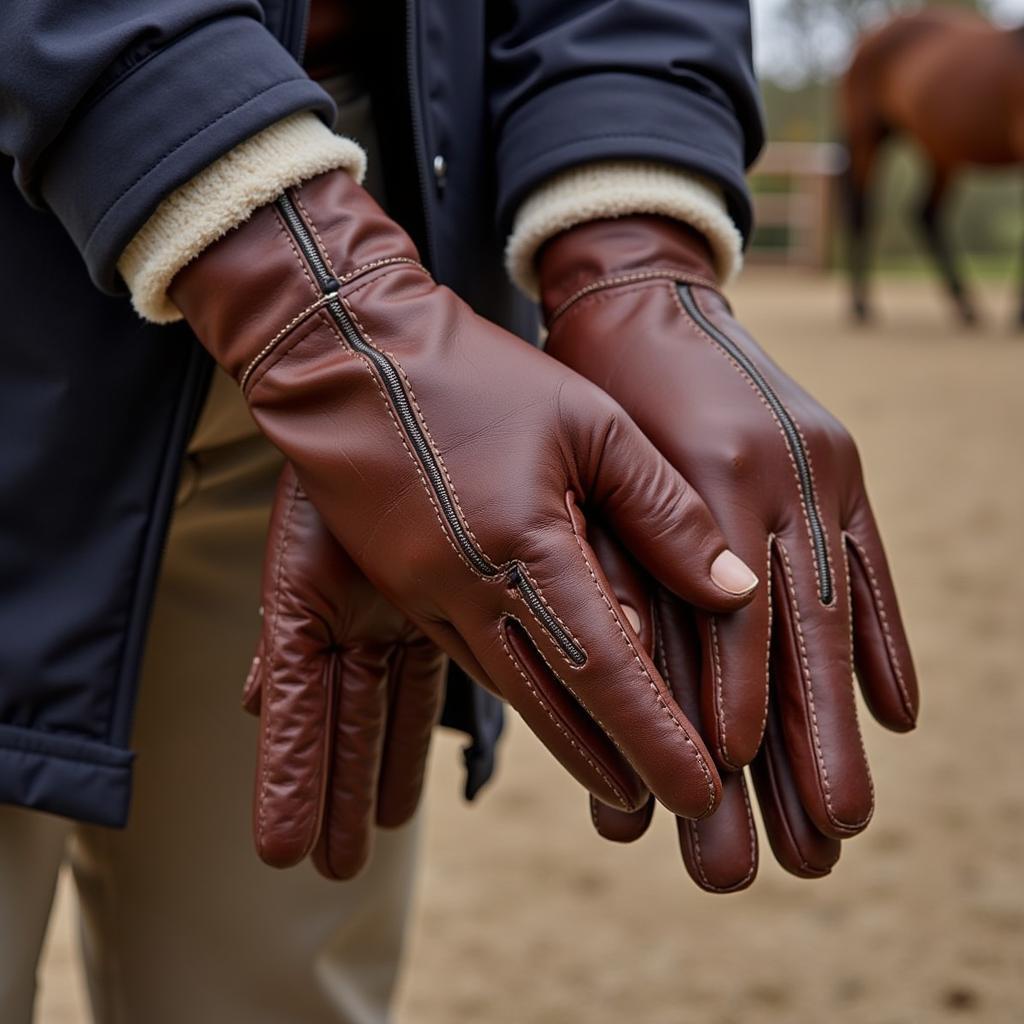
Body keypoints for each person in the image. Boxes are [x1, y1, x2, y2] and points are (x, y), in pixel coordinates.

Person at [0, 2, 918, 1021]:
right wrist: (307, 292)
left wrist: (629, 244)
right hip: (156, 226)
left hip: (369, 273)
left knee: (278, 989)